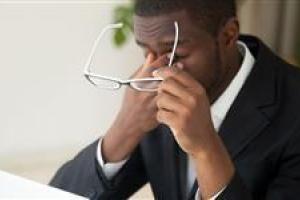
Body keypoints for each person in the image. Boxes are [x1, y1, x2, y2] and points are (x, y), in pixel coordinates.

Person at [50, 0, 300, 199]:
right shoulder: (152, 98)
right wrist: (126, 126)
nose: (157, 71)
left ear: (228, 35)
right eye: (146, 51)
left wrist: (206, 148)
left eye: (174, 53)